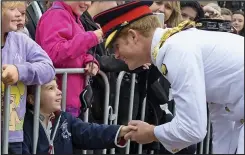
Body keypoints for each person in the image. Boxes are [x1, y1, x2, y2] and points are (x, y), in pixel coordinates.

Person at [93, 1, 244, 154]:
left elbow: (192, 128)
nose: (116, 55)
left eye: (117, 46)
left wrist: (151, 132)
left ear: (133, 36)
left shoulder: (174, 50)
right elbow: (221, 116)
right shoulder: (177, 43)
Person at [22, 78, 137, 154]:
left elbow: (89, 132)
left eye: (57, 87)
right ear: (32, 99)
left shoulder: (64, 119)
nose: (59, 92)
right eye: (51, 88)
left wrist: (120, 131)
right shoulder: (25, 126)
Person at [1, 1, 55, 154]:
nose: (19, 15)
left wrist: (20, 71)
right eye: (12, 9)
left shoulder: (21, 41)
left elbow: (48, 68)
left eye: (21, 11)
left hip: (13, 136)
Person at [35, 1, 103, 117]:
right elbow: (54, 52)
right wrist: (91, 37)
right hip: (57, 101)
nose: (87, 3)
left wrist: (90, 61)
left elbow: (77, 52)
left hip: (68, 98)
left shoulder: (72, 16)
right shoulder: (57, 15)